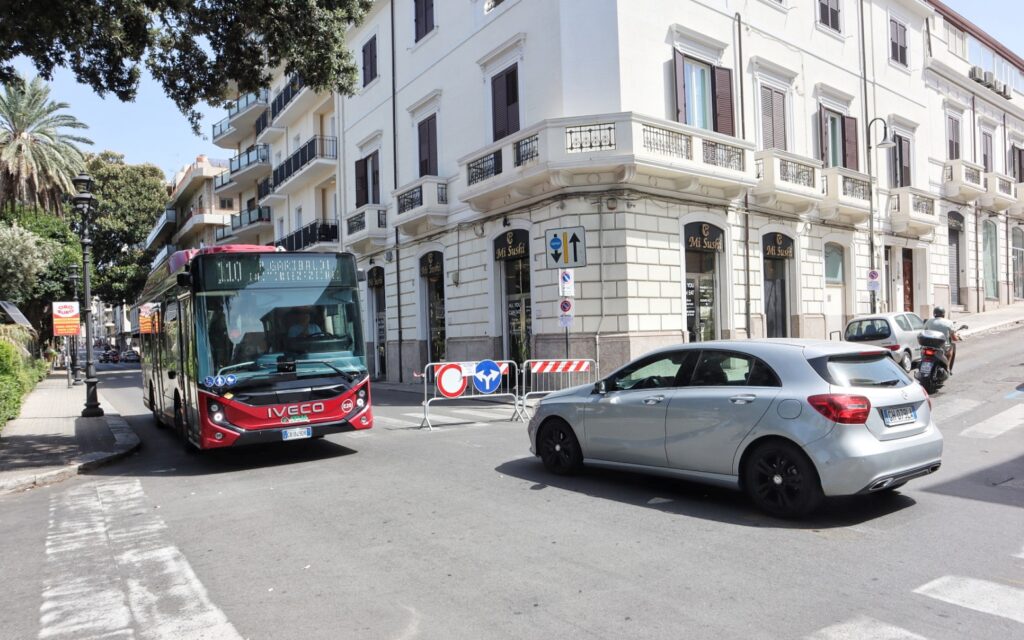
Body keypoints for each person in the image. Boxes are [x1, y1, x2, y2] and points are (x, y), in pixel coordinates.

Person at [924, 306, 960, 373]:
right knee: (951, 348)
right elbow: (954, 338)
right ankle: (947, 367)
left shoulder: (929, 321)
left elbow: (924, 331)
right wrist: (958, 337)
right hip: (942, 346)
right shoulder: (949, 322)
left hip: (929, 345)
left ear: (934, 313)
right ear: (943, 314)